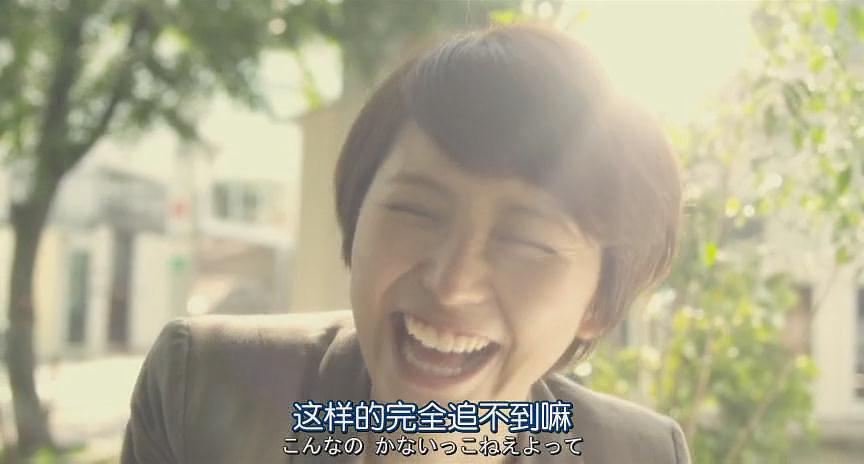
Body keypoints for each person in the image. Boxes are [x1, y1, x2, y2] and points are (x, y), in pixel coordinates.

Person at [121, 24, 689, 464]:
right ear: (356, 215)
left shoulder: (637, 454)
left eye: (526, 241)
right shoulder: (203, 391)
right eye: (417, 211)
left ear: (596, 303)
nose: (452, 281)